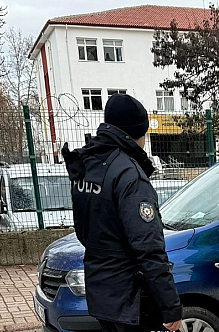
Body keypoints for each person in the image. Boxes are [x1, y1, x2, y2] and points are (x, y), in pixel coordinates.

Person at [62, 94, 182, 332]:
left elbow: (84, 231)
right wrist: (170, 306)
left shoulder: (88, 164)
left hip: (101, 291)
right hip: (131, 299)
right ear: (138, 133)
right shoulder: (128, 174)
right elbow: (148, 246)